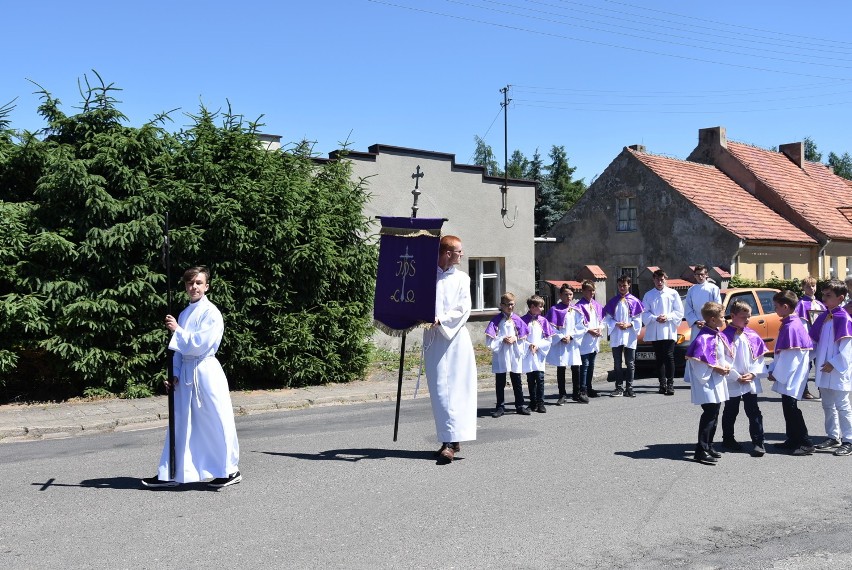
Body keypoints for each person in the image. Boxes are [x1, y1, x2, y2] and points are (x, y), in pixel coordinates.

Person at [142, 266, 241, 488]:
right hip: (186, 373)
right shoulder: (185, 314)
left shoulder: (211, 313)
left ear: (207, 286)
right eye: (190, 283)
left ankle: (229, 470)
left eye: (198, 283)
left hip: (205, 372)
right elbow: (177, 350)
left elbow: (200, 344)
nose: (193, 287)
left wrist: (178, 330)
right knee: (181, 423)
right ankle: (172, 472)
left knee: (215, 420)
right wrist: (174, 374)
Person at [424, 235, 478, 463]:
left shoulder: (463, 278)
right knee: (439, 390)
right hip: (434, 339)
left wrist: (442, 319)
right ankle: (450, 438)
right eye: (459, 251)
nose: (462, 254)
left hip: (455, 338)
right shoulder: (427, 277)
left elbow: (465, 308)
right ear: (447, 253)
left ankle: (450, 442)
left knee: (457, 388)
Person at [768, 290, 816, 456]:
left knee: (792, 408)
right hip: (789, 373)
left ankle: (805, 442)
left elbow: (790, 357)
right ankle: (793, 439)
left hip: (791, 374)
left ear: (785, 306)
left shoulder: (792, 326)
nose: (775, 309)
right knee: (788, 407)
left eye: (776, 306)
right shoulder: (792, 323)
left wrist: (776, 373)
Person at [719, 301, 769, 456]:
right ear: (732, 316)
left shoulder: (752, 335)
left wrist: (753, 373)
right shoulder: (723, 336)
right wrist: (735, 376)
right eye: (743, 317)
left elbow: (759, 357)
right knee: (730, 410)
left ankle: (758, 442)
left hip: (750, 379)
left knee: (753, 411)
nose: (747, 320)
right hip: (732, 379)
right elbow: (722, 360)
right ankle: (728, 439)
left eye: (749, 316)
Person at [685, 302, 732, 465]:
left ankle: (709, 445)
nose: (724, 319)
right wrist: (717, 368)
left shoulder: (716, 334)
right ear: (712, 319)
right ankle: (700, 450)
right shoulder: (703, 338)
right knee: (709, 414)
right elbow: (698, 362)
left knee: (715, 412)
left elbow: (720, 355)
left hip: (716, 379)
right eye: (721, 316)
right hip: (706, 381)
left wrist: (725, 366)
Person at [809, 279, 852, 457]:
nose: (824, 298)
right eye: (823, 294)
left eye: (829, 295)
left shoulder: (844, 318)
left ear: (840, 298)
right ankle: (833, 436)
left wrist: (833, 363)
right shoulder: (823, 317)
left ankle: (849, 439)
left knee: (842, 405)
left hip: (837, 369)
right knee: (827, 405)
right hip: (822, 368)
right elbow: (814, 341)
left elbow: (847, 346)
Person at [486, 292, 530, 417]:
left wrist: (515, 339)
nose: (510, 307)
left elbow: (524, 337)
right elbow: (489, 340)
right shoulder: (496, 320)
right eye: (507, 305)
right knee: (500, 381)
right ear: (501, 305)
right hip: (501, 353)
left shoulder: (517, 320)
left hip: (514, 353)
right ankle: (500, 406)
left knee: (517, 380)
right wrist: (502, 339)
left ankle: (520, 405)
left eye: (512, 304)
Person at [642, 269, 685, 396]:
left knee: (669, 355)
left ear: (665, 279)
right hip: (655, 329)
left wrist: (668, 317)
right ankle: (662, 384)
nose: (659, 282)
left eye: (662, 280)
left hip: (668, 329)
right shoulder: (648, 295)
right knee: (659, 357)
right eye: (657, 279)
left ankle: (670, 383)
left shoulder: (673, 293)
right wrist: (655, 318)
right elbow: (645, 312)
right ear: (653, 280)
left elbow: (679, 311)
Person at [603, 275, 644, 398]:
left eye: (624, 285)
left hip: (629, 335)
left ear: (629, 285)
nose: (622, 287)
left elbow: (638, 320)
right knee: (617, 362)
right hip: (617, 334)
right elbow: (607, 319)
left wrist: (629, 324)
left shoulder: (635, 301)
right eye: (620, 285)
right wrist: (616, 323)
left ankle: (629, 387)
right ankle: (619, 387)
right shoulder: (613, 301)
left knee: (630, 362)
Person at [546, 284, 586, 405]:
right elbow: (549, 327)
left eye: (570, 294)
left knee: (575, 367)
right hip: (561, 343)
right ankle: (562, 394)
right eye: (566, 294)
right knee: (561, 368)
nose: (568, 297)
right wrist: (561, 337)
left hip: (572, 343)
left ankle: (576, 393)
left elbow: (581, 327)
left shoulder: (576, 310)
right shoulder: (554, 310)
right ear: (560, 295)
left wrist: (571, 336)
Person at [521, 295, 556, 413]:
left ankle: (541, 402)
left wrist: (538, 345)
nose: (542, 309)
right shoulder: (522, 321)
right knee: (530, 379)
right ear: (532, 306)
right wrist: (528, 345)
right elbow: (520, 339)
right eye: (540, 306)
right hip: (528, 353)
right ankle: (532, 402)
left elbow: (548, 339)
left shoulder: (543, 321)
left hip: (539, 354)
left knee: (540, 378)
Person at [795, 276, 825, 401]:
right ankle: (804, 390)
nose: (811, 288)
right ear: (803, 288)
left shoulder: (820, 304)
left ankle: (822, 390)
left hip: (821, 340)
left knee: (821, 364)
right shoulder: (801, 304)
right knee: (806, 366)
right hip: (809, 340)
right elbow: (801, 324)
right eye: (808, 286)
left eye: (813, 286)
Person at [576, 280, 604, 401]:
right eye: (589, 290)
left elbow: (601, 320)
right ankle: (582, 389)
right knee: (585, 364)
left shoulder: (596, 305)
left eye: (593, 290)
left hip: (594, 339)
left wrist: (600, 329)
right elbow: (577, 324)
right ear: (583, 291)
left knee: (591, 364)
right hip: (584, 339)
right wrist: (588, 330)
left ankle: (589, 386)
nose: (592, 293)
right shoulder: (578, 306)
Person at [684, 265, 722, 344]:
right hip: (697, 326)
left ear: (706, 275)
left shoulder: (714, 288)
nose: (700, 277)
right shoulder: (691, 290)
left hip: (711, 324)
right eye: (698, 274)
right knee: (697, 349)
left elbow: (718, 307)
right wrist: (696, 321)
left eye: (702, 274)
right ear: (694, 276)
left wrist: (708, 321)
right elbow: (688, 308)